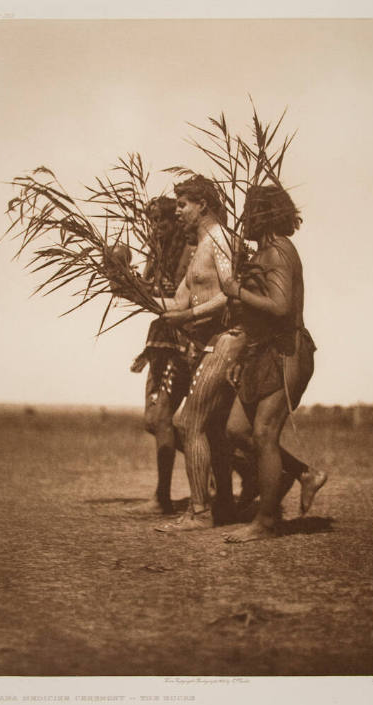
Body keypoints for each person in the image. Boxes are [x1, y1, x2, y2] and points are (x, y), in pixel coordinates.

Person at [220, 184, 327, 543]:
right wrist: (245, 354)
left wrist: (236, 292)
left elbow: (280, 308)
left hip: (287, 351)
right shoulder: (262, 252)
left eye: (249, 211)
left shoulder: (278, 250)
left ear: (263, 214)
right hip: (263, 351)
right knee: (237, 430)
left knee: (265, 432)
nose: (242, 218)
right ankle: (304, 473)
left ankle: (266, 523)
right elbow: (258, 317)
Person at [153, 175, 248, 532]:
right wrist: (127, 289)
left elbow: (231, 294)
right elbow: (176, 302)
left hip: (228, 340)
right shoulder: (200, 249)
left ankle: (200, 511)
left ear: (203, 205)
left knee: (186, 422)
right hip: (214, 342)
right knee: (212, 427)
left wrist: (189, 316)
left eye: (182, 205)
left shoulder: (219, 240)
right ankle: (220, 506)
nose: (177, 212)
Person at [110, 196, 193, 515]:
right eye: (153, 221)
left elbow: (178, 299)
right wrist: (122, 277)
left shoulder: (188, 251)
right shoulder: (157, 254)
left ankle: (163, 498)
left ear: (175, 221)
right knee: (153, 421)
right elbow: (149, 290)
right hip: (161, 342)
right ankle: (229, 467)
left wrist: (138, 288)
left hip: (182, 341)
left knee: (161, 419)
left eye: (163, 220)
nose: (157, 226)